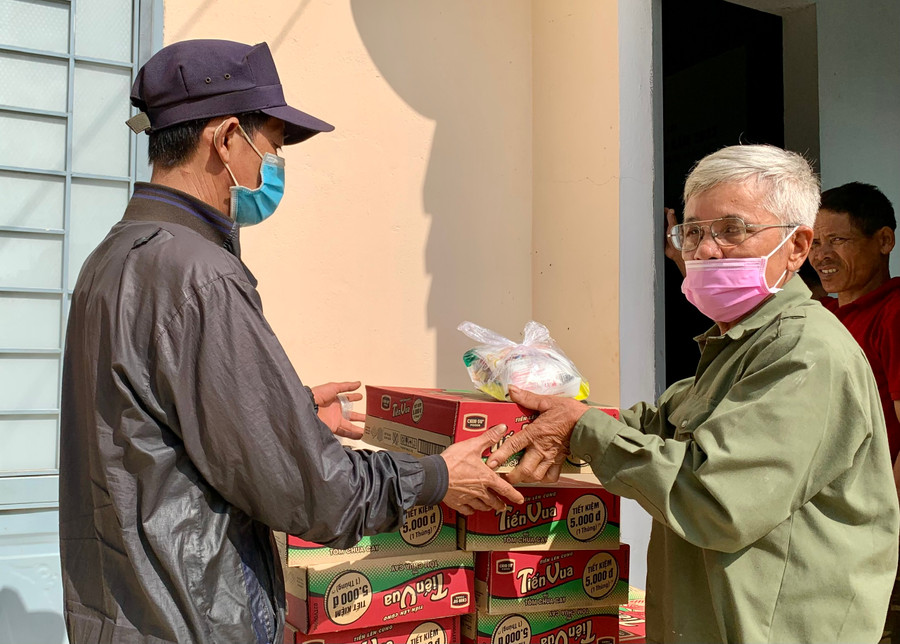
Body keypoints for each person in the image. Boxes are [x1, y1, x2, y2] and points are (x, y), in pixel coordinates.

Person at [59, 39, 524, 644]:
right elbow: (317, 496)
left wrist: (286, 414)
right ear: (227, 138)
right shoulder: (201, 276)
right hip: (191, 617)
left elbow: (150, 424)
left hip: (122, 612)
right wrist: (435, 477)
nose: (273, 168)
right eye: (272, 146)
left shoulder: (112, 257)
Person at [489, 144, 900, 643]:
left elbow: (716, 501)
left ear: (796, 247)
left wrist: (582, 429)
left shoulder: (804, 351)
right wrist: (549, 404)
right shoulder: (737, 345)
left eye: (732, 230)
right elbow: (656, 424)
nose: (705, 250)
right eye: (693, 232)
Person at [809, 181, 900, 643]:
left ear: (884, 241)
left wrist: (885, 532)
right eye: (815, 242)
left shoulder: (894, 313)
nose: (821, 255)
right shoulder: (823, 315)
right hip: (831, 530)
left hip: (872, 538)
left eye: (837, 240)